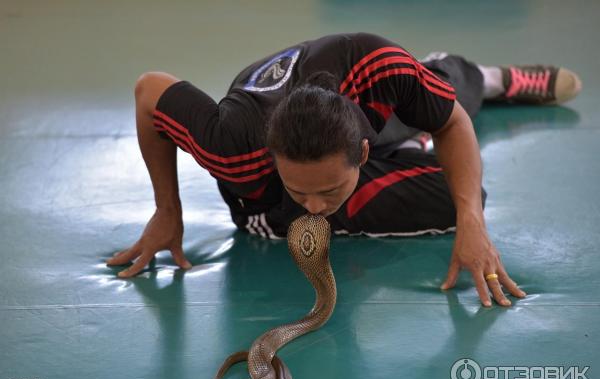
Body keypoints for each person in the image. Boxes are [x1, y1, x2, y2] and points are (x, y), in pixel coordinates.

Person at [106, 32, 581, 307]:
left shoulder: (382, 69)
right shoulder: (233, 150)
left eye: (328, 190)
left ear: (364, 154)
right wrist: (167, 209)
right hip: (268, 202)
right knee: (452, 195)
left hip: (366, 117)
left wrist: (474, 226)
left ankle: (489, 78)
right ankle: (409, 139)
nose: (314, 207)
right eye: (302, 189)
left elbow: (452, 122)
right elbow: (151, 89)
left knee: (451, 146)